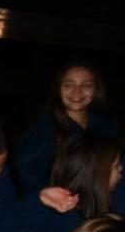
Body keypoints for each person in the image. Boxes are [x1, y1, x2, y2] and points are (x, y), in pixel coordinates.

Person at [15, 62, 116, 195]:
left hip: (99, 202)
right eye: (69, 85)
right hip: (58, 206)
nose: (77, 92)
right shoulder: (43, 127)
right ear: (59, 89)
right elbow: (24, 171)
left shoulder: (107, 127)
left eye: (86, 85)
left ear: (96, 90)